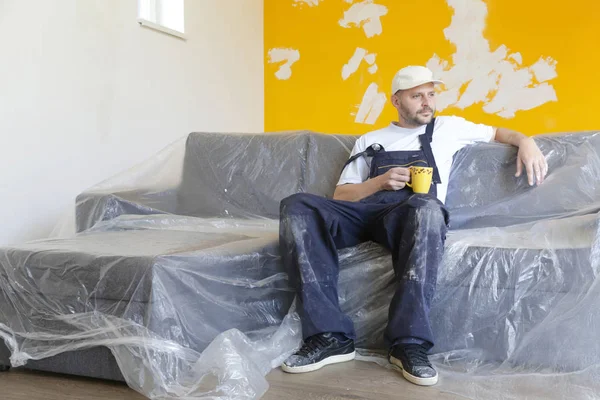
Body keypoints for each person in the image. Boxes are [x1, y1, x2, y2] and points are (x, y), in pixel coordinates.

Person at [278, 65, 548, 386]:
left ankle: (408, 343)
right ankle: (329, 337)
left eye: (431, 94)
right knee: (297, 206)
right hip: (365, 214)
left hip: (412, 216)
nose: (427, 102)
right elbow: (342, 195)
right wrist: (378, 182)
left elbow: (499, 133)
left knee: (428, 208)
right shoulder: (370, 139)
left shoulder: (449, 127)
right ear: (396, 100)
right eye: (417, 95)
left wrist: (527, 141)